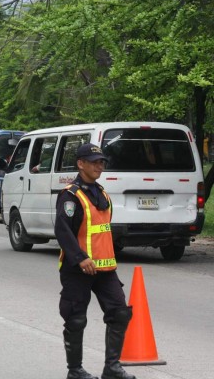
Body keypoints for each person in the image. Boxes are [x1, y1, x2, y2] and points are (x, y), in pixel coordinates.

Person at [54, 143, 136, 379]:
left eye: (102, 162)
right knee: (76, 318)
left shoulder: (102, 193)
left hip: (105, 267)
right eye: (94, 161)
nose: (100, 166)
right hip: (78, 268)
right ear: (80, 164)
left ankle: (112, 368)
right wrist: (80, 258)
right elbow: (62, 231)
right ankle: (75, 370)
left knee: (119, 312)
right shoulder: (70, 195)